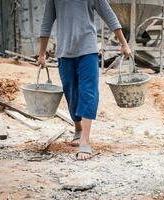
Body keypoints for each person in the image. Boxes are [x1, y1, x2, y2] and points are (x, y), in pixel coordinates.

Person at [38, 0, 131, 161]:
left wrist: (124, 43)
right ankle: (78, 128)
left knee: (88, 92)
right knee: (71, 92)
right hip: (64, 52)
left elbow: (109, 15)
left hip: (88, 50)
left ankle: (85, 141)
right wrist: (41, 54)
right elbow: (47, 22)